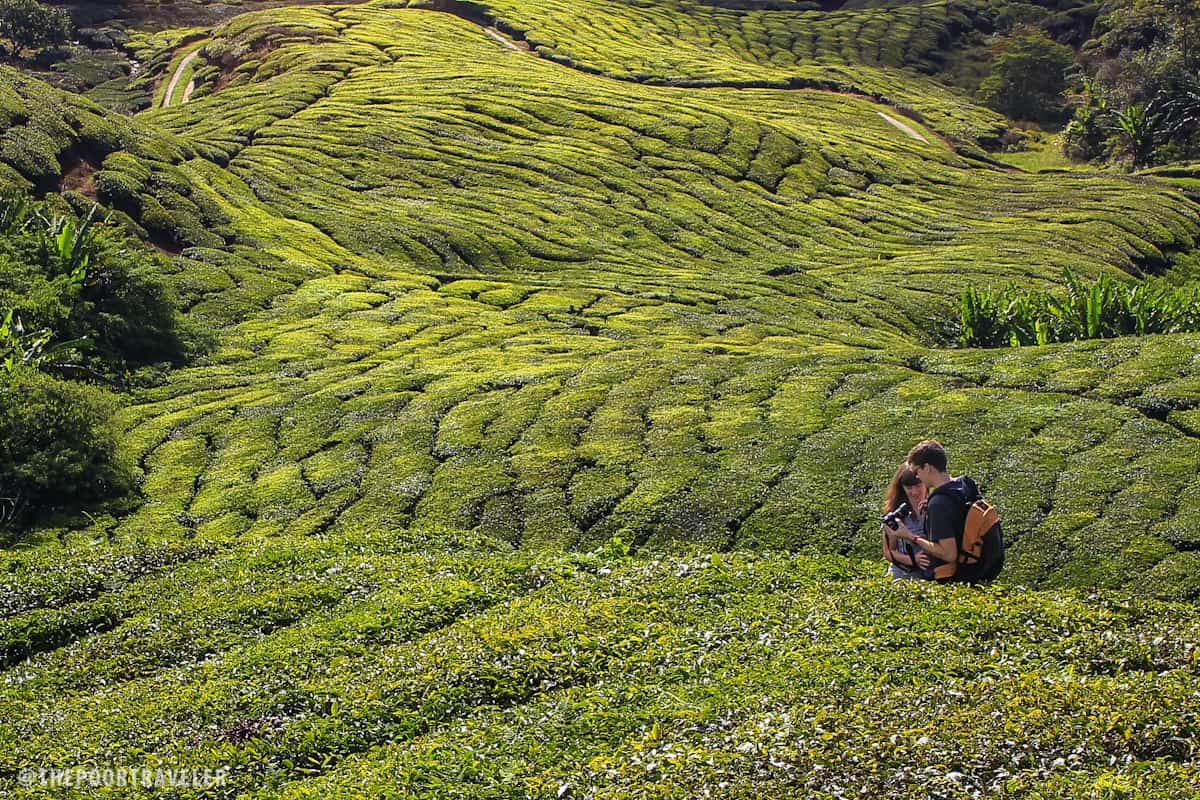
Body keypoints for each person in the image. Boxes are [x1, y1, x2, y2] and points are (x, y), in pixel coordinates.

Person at [905, 439, 965, 581]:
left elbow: (949, 554)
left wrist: (911, 536)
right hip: (976, 566)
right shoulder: (963, 485)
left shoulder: (938, 503)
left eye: (917, 471)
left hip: (955, 577)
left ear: (927, 467)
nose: (917, 476)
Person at [881, 464, 932, 580]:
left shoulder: (935, 506)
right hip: (902, 575)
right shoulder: (896, 514)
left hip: (931, 573)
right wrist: (914, 559)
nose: (914, 492)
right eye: (909, 487)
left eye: (918, 486)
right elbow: (889, 552)